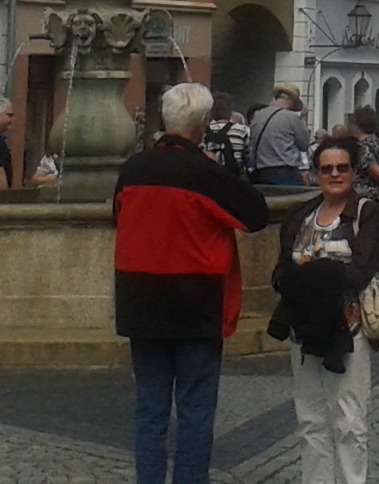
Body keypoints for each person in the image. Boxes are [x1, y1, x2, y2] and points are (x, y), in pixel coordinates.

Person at [112, 83, 271, 484]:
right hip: (196, 301)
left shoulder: (132, 170)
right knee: (195, 407)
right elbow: (256, 215)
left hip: (140, 300)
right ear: (201, 125)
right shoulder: (205, 174)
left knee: (150, 408)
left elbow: (118, 217)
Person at [269, 136, 379, 484]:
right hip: (303, 329)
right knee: (311, 420)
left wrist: (312, 276)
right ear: (315, 174)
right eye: (326, 169)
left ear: (353, 172)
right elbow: (280, 271)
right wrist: (310, 279)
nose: (335, 174)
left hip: (347, 330)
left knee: (349, 421)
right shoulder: (300, 216)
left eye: (342, 168)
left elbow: (362, 268)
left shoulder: (365, 213)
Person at [246, 86, 313, 188]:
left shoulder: (257, 115)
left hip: (262, 172)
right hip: (286, 172)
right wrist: (303, 119)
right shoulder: (291, 117)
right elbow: (304, 144)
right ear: (291, 101)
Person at [347, 106, 379, 206]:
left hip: (366, 194)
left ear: (357, 126)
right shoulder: (377, 142)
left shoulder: (362, 147)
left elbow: (376, 172)